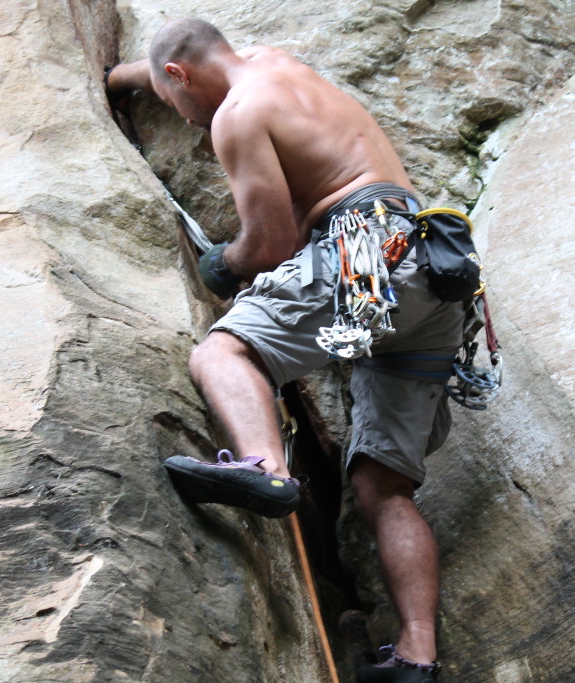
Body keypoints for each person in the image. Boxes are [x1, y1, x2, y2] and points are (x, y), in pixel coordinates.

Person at [106, 18, 464, 682]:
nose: (184, 120)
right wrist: (126, 78)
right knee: (382, 486)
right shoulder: (277, 64)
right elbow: (181, 60)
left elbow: (268, 246)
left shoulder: (235, 117)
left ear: (180, 78)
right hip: (432, 275)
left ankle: (263, 465)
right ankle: (418, 656)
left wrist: (220, 264)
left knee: (222, 354)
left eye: (174, 100)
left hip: (366, 258)